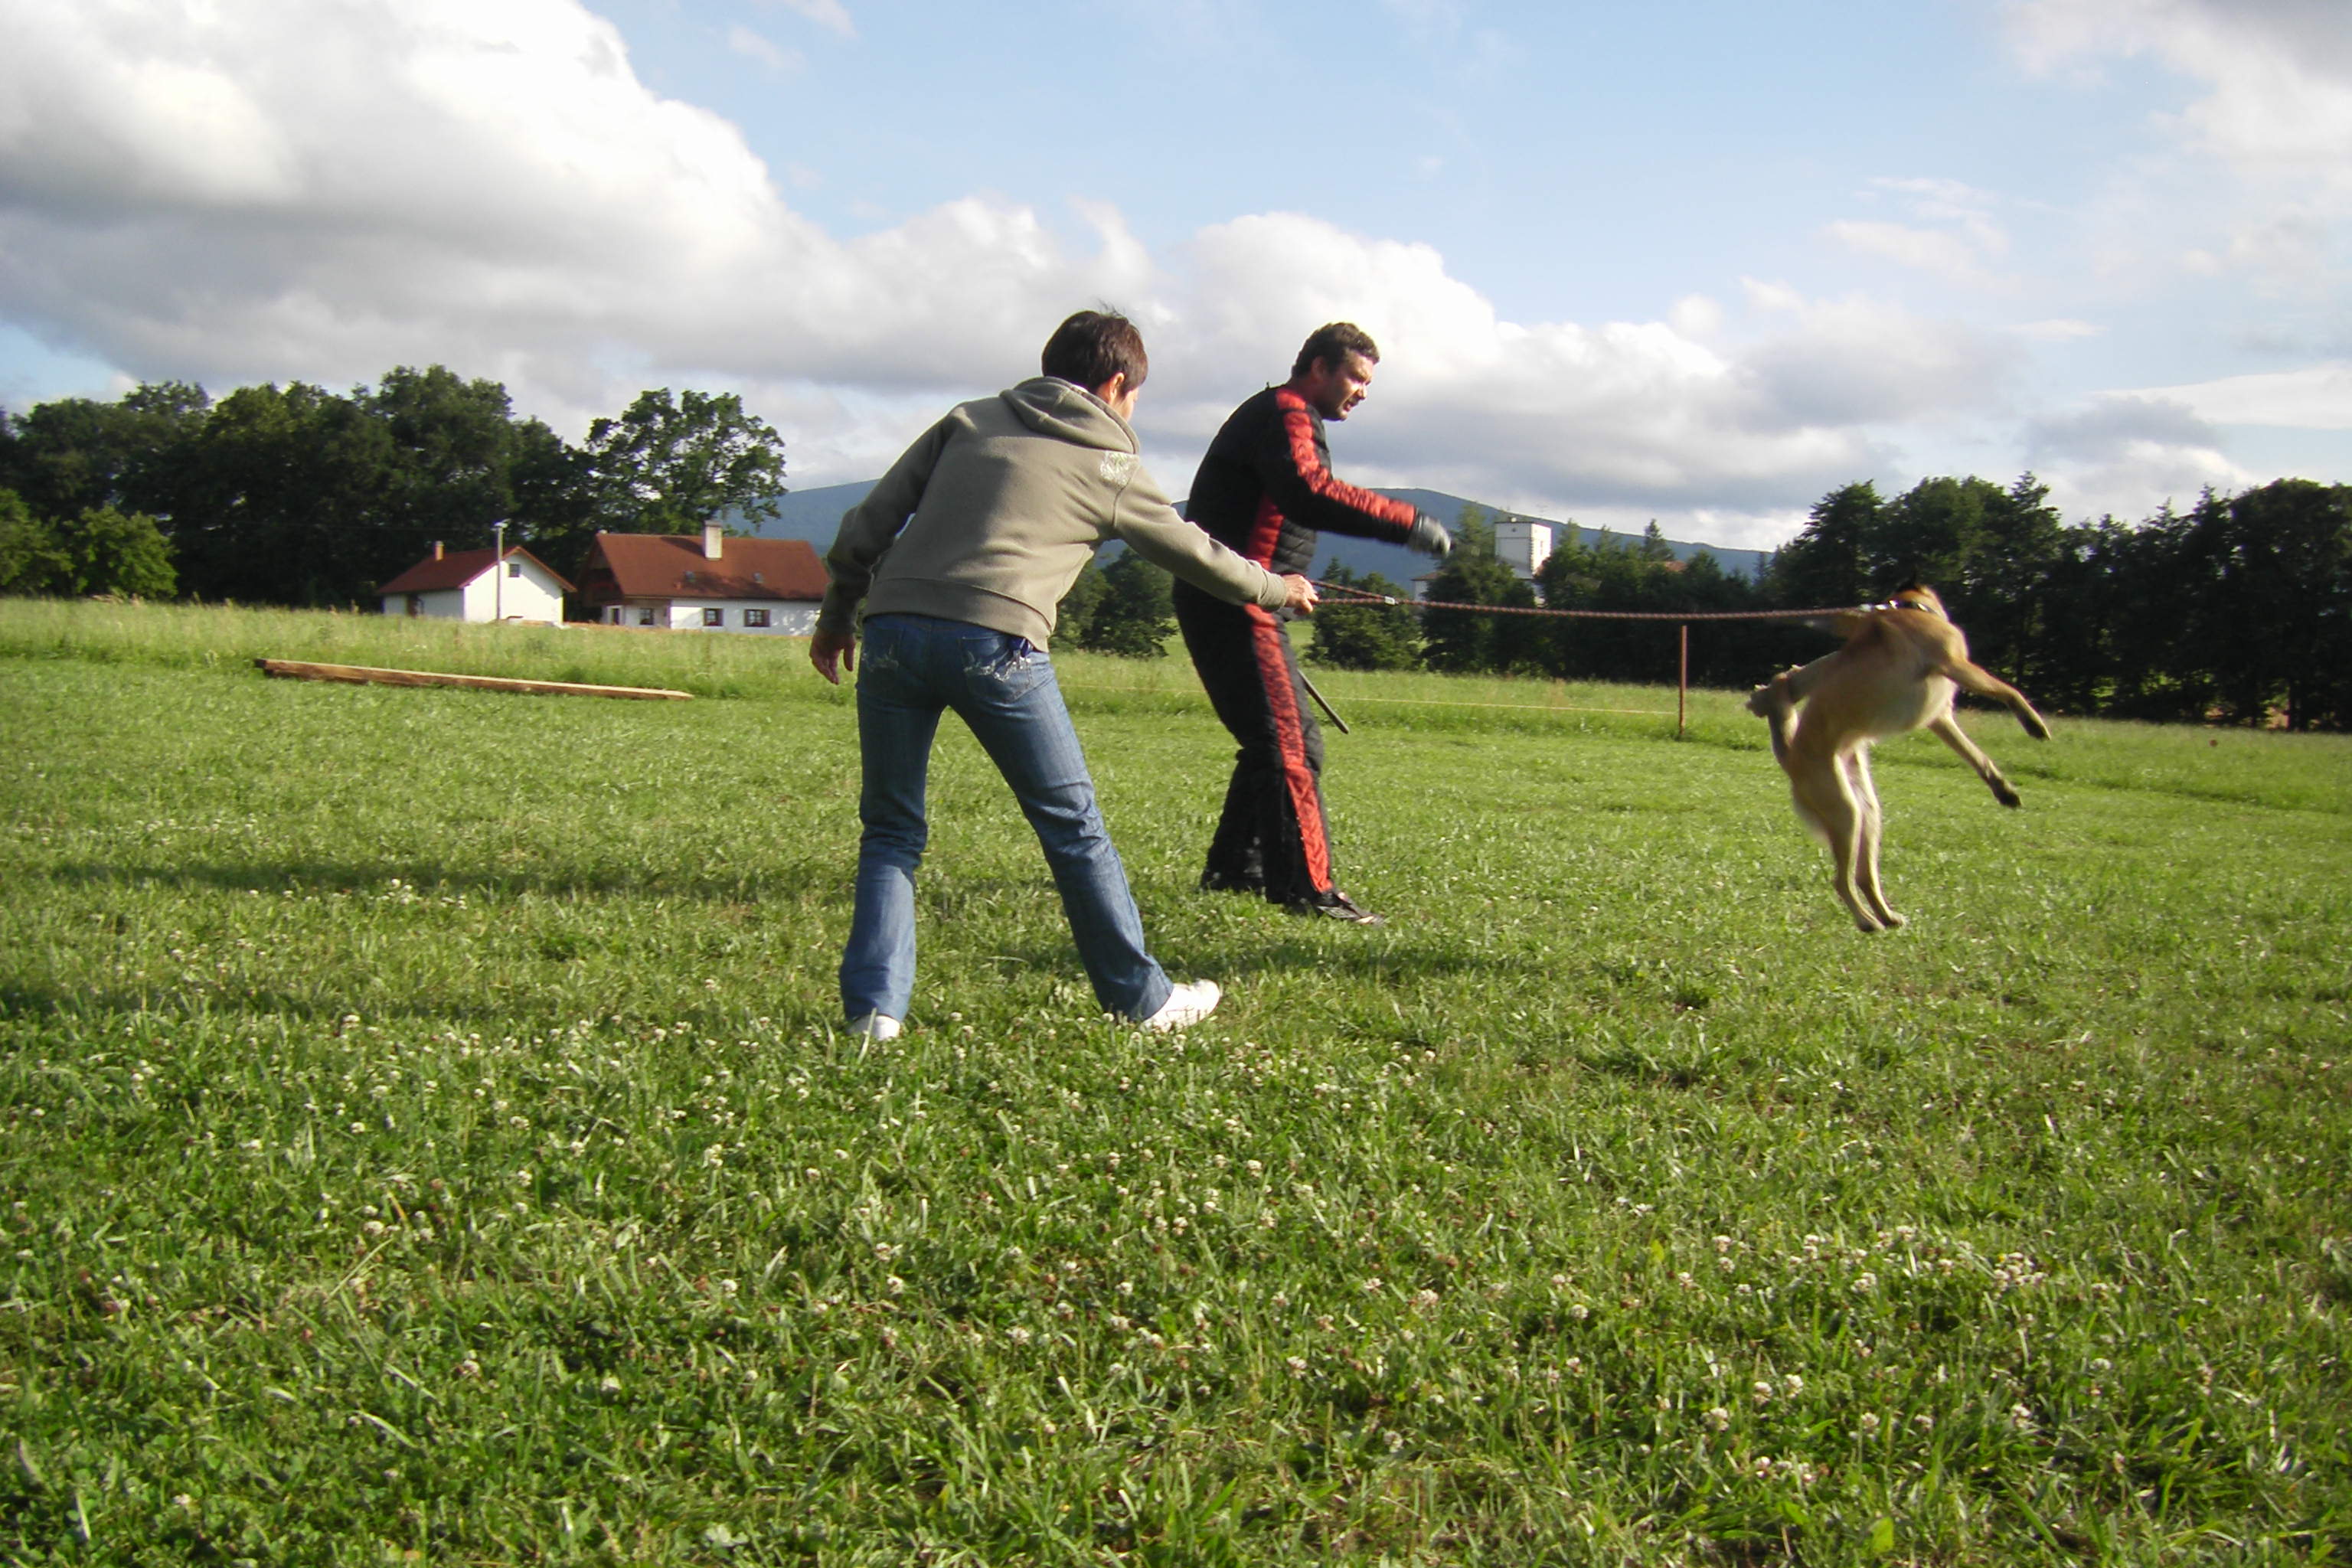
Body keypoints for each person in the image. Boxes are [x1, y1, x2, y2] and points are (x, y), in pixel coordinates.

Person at [810, 310, 1318, 1038]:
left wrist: (836, 617)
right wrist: (1279, 589)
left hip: (891, 632)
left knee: (891, 830)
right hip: (998, 645)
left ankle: (874, 1014)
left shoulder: (970, 420)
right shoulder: (1110, 465)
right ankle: (1142, 1002)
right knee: (1073, 829)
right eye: (1135, 396)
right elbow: (1198, 555)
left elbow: (869, 521)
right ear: (1116, 385)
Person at [1174, 322, 1453, 925]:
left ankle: (1234, 870)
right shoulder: (1288, 411)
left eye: (1368, 383)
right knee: (1294, 746)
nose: (1363, 392)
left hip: (1234, 595)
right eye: (1355, 377)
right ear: (1319, 368)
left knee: (1270, 743)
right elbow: (1309, 491)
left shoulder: (1280, 412)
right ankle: (1309, 891)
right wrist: (1404, 521)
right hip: (1239, 602)